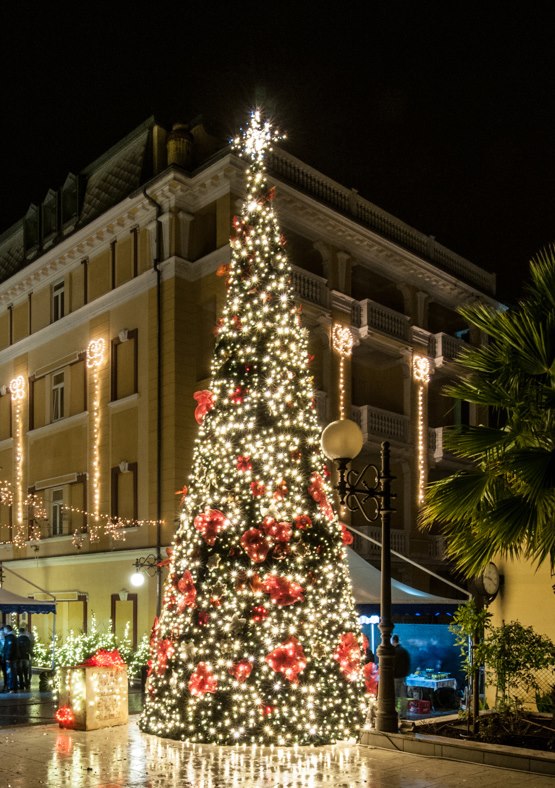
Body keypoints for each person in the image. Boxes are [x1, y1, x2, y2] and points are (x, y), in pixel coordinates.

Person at [392, 634, 411, 700]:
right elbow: (408, 663)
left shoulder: (393, 652)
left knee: (395, 694)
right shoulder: (404, 651)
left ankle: (395, 708)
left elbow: (392, 664)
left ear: (393, 641)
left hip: (395, 676)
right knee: (402, 693)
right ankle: (403, 709)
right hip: (403, 676)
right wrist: (406, 673)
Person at [3, 625, 19, 692]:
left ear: (7, 630)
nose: (4, 631)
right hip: (13, 658)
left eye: (4, 630)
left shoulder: (10, 637)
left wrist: (7, 658)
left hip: (10, 659)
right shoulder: (14, 637)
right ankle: (14, 687)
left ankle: (11, 688)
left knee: (10, 673)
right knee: (13, 673)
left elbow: (10, 648)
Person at [17, 626, 33, 691]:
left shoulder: (17, 639)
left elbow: (17, 649)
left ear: (19, 632)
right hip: (26, 657)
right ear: (24, 632)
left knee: (20, 672)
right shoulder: (28, 639)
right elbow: (30, 648)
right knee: (26, 671)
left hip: (20, 658)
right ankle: (27, 683)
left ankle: (21, 685)